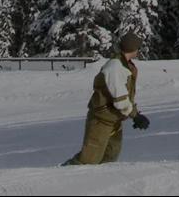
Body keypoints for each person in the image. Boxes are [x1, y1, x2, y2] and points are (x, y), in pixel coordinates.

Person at [64, 35, 151, 166]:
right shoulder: (114, 67)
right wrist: (135, 116)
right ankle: (61, 175)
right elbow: (120, 100)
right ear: (132, 48)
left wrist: (135, 113)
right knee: (88, 160)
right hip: (101, 120)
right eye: (138, 47)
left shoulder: (126, 66)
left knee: (109, 158)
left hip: (114, 120)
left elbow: (126, 97)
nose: (139, 50)